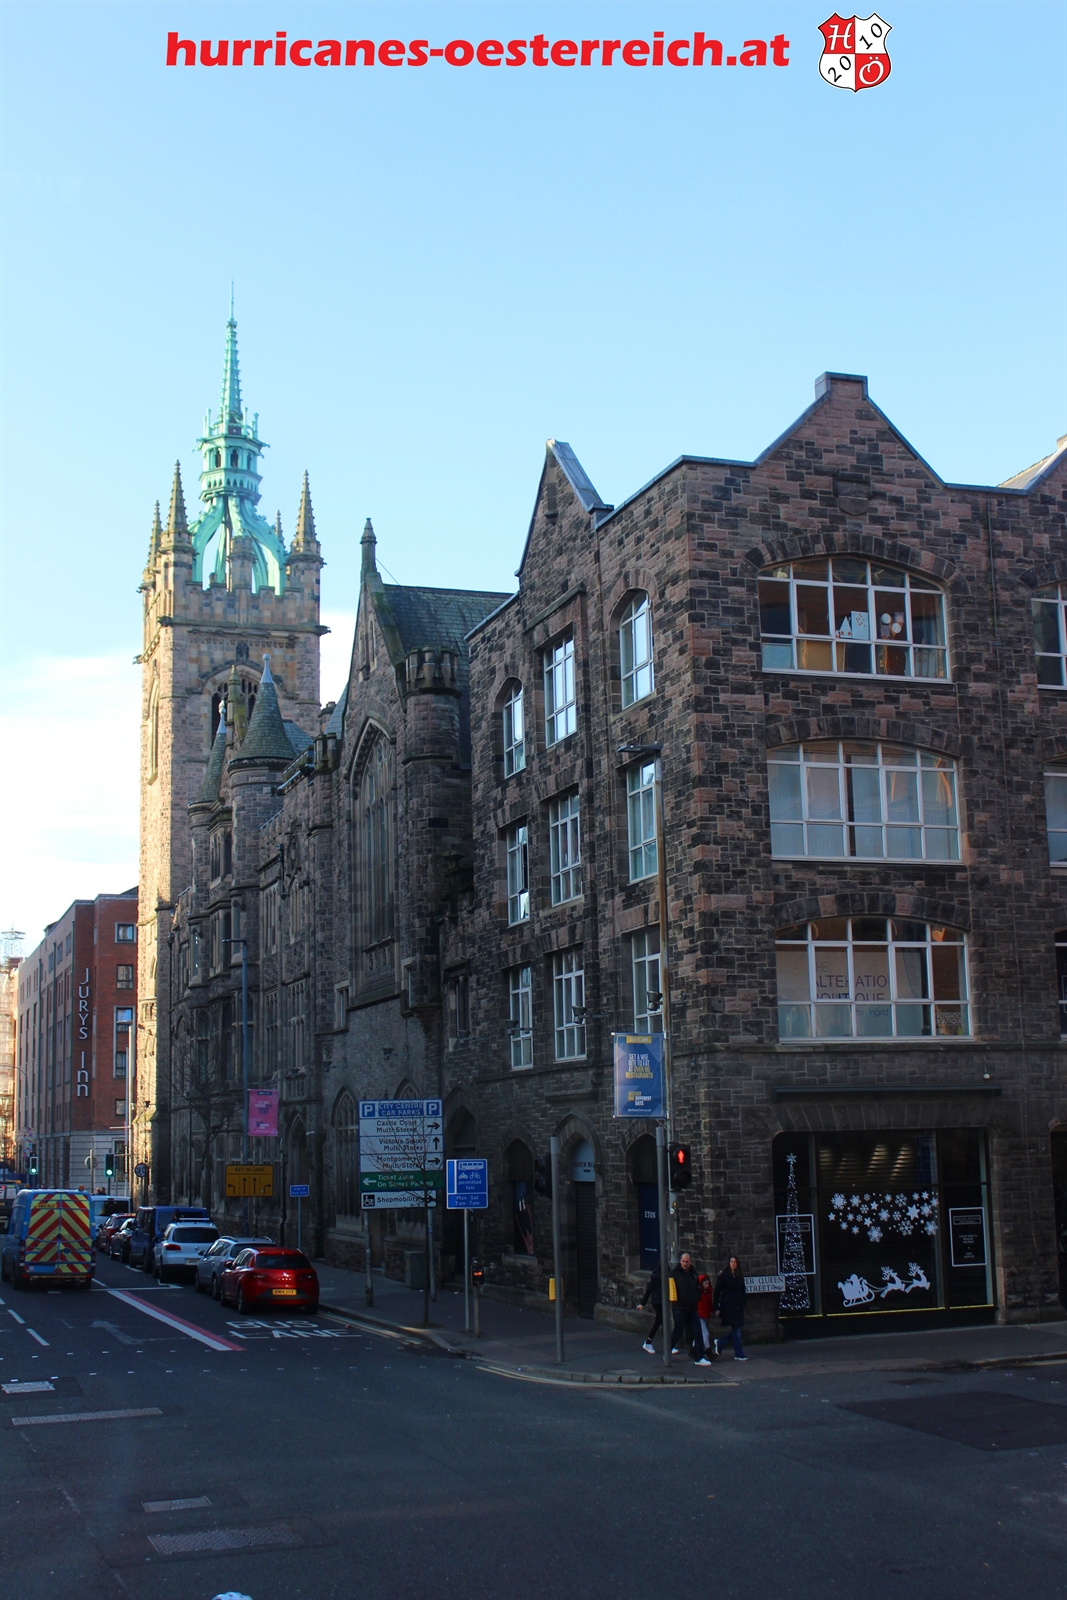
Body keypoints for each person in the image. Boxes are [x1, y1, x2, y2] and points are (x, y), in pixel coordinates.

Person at [714, 1256, 747, 1360]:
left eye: (735, 1262)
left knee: (737, 1329)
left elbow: (742, 1290)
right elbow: (717, 1292)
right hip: (728, 1306)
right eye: (731, 1261)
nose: (733, 1264)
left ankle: (720, 1342)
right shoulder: (724, 1276)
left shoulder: (739, 1276)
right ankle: (739, 1353)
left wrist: (743, 1302)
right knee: (736, 1329)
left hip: (738, 1306)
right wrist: (716, 1307)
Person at [671, 1251, 703, 1358]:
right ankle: (668, 1350)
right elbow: (671, 1289)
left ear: (690, 1262)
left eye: (687, 1262)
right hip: (680, 1307)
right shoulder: (674, 1273)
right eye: (683, 1261)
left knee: (698, 1331)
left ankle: (699, 1356)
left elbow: (698, 1287)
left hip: (692, 1307)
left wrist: (697, 1297)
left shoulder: (693, 1273)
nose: (685, 1264)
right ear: (680, 1261)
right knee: (678, 1331)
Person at [637, 1257, 664, 1353]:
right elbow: (649, 1290)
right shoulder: (655, 1276)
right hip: (657, 1301)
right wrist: (642, 1303)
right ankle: (648, 1343)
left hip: (663, 1301)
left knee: (663, 1321)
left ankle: (668, 1344)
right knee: (659, 1321)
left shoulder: (667, 1274)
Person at [695, 1272, 716, 1364]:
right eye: (705, 1283)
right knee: (705, 1334)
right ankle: (708, 1351)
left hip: (705, 1315)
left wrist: (712, 1311)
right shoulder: (699, 1293)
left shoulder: (708, 1293)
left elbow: (710, 1304)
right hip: (699, 1315)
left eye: (708, 1283)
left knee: (700, 1333)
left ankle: (693, 1349)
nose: (707, 1285)